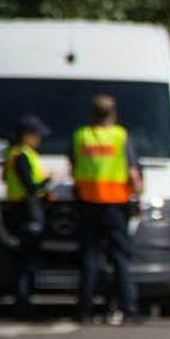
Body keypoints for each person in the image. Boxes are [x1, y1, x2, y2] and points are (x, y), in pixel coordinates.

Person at [71, 93, 143, 324]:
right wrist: (138, 192)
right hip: (115, 203)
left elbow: (73, 165)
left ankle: (85, 310)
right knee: (120, 258)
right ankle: (128, 310)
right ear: (113, 113)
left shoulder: (81, 136)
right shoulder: (120, 136)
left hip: (88, 203)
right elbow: (132, 172)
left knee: (90, 257)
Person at [2, 113, 53, 319]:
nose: (39, 139)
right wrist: (48, 181)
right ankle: (23, 305)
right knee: (26, 261)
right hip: (25, 211)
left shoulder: (16, 153)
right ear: (26, 135)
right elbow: (30, 186)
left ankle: (24, 303)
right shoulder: (21, 155)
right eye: (36, 134)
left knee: (27, 259)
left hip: (21, 208)